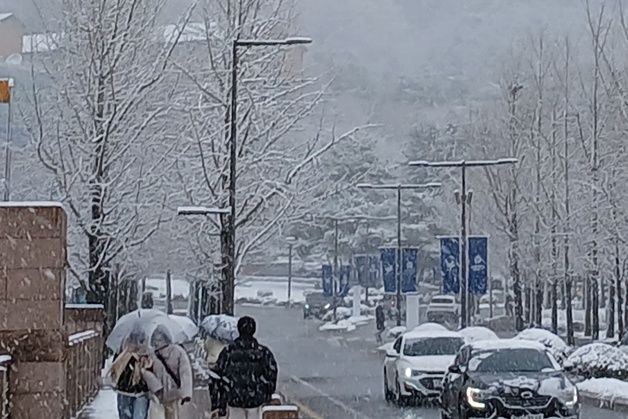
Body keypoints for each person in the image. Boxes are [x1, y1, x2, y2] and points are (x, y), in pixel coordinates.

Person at [215, 316, 277, 419]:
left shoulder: (228, 351)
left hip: (234, 399)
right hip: (255, 399)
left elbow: (219, 375)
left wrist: (221, 400)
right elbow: (272, 373)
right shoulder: (263, 352)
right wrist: (266, 393)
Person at [144, 325, 193, 419]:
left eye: (160, 339)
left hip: (171, 393)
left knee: (171, 414)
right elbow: (146, 372)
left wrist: (186, 393)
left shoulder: (177, 352)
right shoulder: (152, 355)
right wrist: (156, 386)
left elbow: (185, 372)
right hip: (159, 395)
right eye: (156, 340)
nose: (158, 343)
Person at [110, 330, 153, 419]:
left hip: (135, 392)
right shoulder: (123, 352)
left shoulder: (147, 355)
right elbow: (115, 369)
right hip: (132, 391)